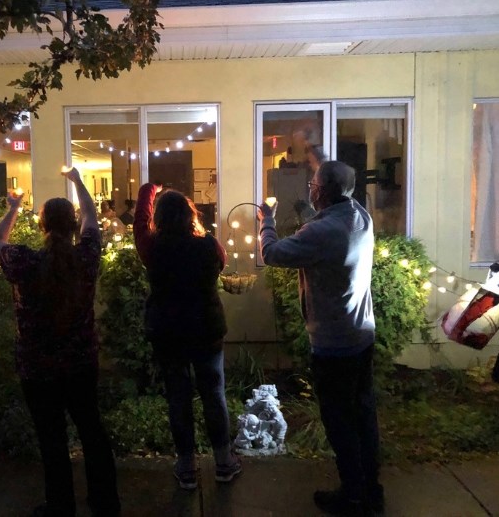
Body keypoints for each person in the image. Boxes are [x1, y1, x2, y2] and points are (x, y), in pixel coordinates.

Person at [0, 167, 120, 517]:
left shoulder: (25, 262)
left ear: (42, 226)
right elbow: (92, 216)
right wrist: (77, 181)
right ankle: (105, 502)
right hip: (80, 363)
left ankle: (61, 506)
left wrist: (13, 208)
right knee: (92, 430)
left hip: (37, 367)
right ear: (72, 225)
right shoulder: (85, 258)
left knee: (52, 438)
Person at [258, 161, 383, 517]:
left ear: (321, 191)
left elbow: (272, 254)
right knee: (363, 414)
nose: (309, 187)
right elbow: (334, 197)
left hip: (334, 343)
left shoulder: (322, 233)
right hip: (362, 334)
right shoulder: (359, 215)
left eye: (313, 183)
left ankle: (353, 496)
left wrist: (267, 220)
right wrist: (318, 157)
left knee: (339, 420)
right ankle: (371, 488)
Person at [133, 183, 241, 490]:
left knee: (178, 397)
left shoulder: (152, 248)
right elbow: (220, 262)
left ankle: (187, 466)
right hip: (206, 330)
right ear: (190, 215)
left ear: (160, 218)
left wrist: (147, 191)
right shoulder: (209, 246)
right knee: (213, 394)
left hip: (168, 333)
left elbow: (139, 224)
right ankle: (223, 462)